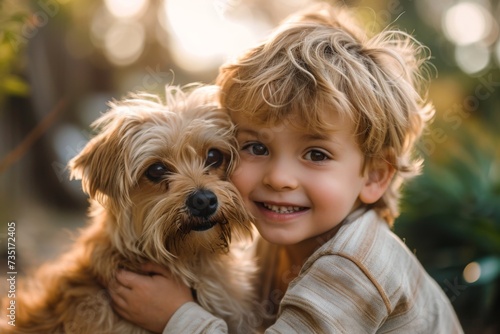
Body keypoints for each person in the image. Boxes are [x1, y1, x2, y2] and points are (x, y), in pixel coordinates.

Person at [109, 3, 463, 333]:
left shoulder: (354, 265)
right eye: (257, 148)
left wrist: (177, 316)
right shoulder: (278, 240)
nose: (278, 178)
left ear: (374, 176)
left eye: (317, 154)